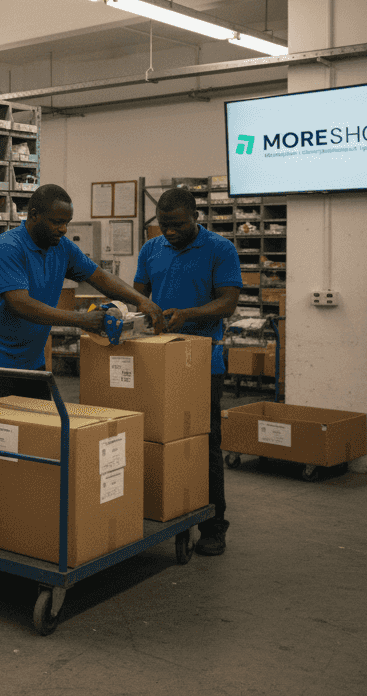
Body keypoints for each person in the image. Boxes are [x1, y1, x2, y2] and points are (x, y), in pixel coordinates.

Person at [0, 184, 164, 403]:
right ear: (34, 215)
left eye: (66, 223)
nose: (63, 229)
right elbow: (20, 304)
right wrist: (81, 320)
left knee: (39, 432)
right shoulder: (8, 247)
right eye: (57, 222)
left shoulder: (62, 248)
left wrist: (142, 301)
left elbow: (100, 277)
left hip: (31, 363)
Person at [134, 187, 241, 556]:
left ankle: (214, 525)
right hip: (156, 359)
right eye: (163, 225)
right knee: (151, 437)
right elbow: (139, 295)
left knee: (204, 442)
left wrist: (188, 315)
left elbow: (228, 303)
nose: (169, 232)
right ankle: (159, 508)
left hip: (201, 363)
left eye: (177, 224)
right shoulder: (151, 250)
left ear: (195, 216)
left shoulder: (220, 249)